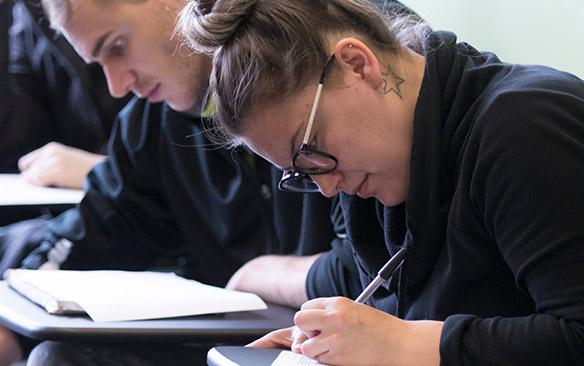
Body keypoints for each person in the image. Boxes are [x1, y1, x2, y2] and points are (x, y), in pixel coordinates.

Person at [180, 0, 584, 365]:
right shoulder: (379, 174)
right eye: (301, 171)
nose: (326, 188)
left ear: (357, 64)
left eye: (310, 148)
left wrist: (402, 343)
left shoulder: (524, 128)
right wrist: (334, 345)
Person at [0, 0, 361, 365]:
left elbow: (370, 271)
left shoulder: (322, 65)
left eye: (118, 47)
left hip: (338, 344)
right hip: (237, 344)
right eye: (98, 64)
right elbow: (91, 234)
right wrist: (14, 324)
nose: (117, 86)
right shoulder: (153, 123)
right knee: (57, 356)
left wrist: (259, 274)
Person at [1, 0, 128, 189]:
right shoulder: (29, 13)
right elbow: (22, 146)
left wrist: (101, 170)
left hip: (138, 196)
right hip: (79, 200)